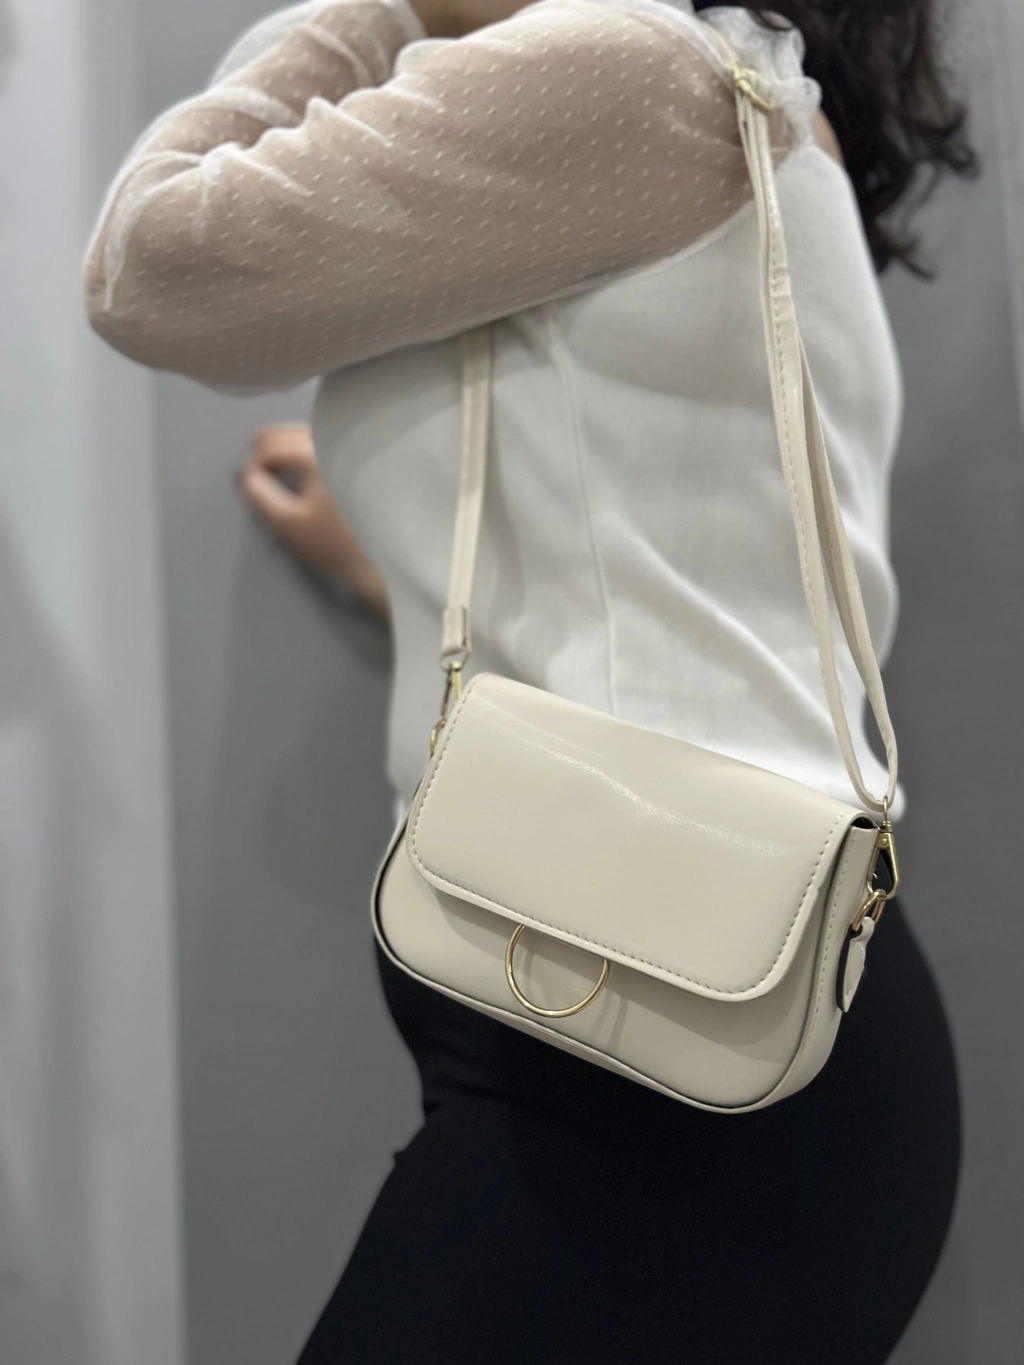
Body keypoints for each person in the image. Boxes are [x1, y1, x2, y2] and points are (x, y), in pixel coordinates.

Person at [83, 0, 977, 1359]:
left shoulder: (619, 68)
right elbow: (691, 555)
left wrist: (380, 11)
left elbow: (150, 264)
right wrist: (390, 566)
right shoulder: (732, 80)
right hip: (690, 1039)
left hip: (658, 1087)